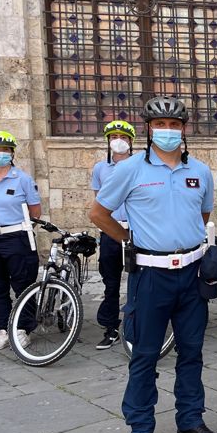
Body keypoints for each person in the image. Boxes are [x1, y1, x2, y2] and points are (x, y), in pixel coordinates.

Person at [90, 97, 217, 433]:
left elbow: (203, 212)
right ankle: (141, 430)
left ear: (184, 129)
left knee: (192, 352)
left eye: (175, 124)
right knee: (145, 355)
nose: (168, 130)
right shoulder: (130, 168)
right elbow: (98, 212)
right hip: (150, 276)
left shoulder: (200, 170)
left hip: (192, 274)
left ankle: (190, 422)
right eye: (161, 123)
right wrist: (128, 241)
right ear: (148, 128)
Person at [0, 131, 41, 351]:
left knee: (23, 285)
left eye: (4, 150)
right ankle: (3, 329)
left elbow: (35, 211)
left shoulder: (23, 179)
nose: (0, 154)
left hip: (16, 237)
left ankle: (22, 329)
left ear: (12, 153)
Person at [90, 120, 136, 349]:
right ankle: (110, 327)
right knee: (111, 281)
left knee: (139, 279)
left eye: (124, 137)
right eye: (113, 137)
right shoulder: (101, 169)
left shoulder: (140, 165)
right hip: (111, 229)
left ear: (131, 142)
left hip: (136, 229)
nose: (118, 141)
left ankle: (137, 324)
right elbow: (100, 201)